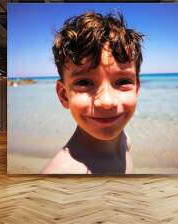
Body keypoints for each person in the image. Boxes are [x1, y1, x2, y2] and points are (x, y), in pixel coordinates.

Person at [42, 11, 144, 174]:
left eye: (123, 82)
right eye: (84, 82)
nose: (106, 101)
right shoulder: (63, 173)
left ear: (137, 89)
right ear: (63, 95)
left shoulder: (125, 141)